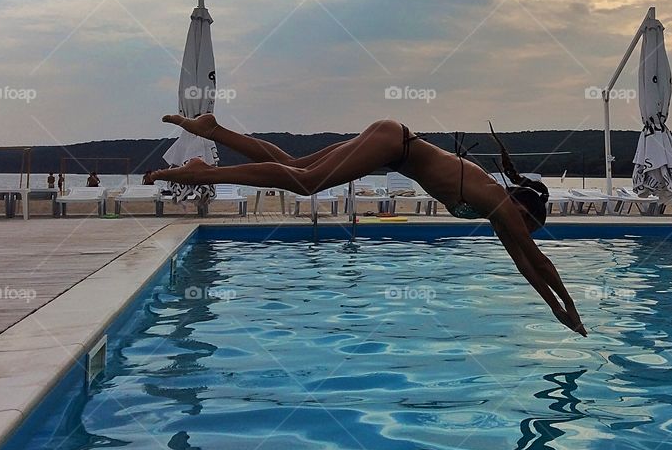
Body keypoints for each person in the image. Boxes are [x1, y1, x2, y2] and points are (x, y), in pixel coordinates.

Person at [151, 114, 586, 336]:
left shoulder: (496, 208)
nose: (524, 233)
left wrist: (556, 309)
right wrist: (566, 307)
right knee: (305, 183)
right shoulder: (500, 204)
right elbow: (538, 261)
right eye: (530, 227)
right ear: (525, 212)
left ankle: (214, 130)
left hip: (393, 141)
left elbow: (525, 263)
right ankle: (200, 173)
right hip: (392, 142)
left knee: (294, 166)